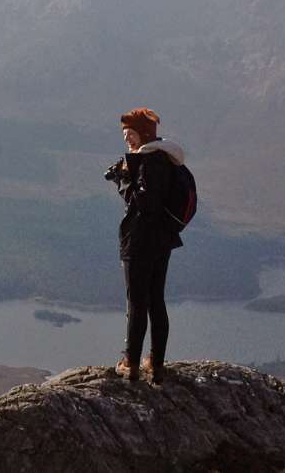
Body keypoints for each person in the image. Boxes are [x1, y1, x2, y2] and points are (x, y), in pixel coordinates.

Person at [104, 107, 185, 382]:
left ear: (144, 134)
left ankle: (131, 363)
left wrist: (123, 180)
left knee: (137, 302)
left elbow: (144, 204)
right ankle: (156, 362)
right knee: (155, 301)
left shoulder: (149, 163)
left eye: (131, 134)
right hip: (162, 240)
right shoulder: (165, 159)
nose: (127, 139)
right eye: (126, 134)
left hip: (140, 241)